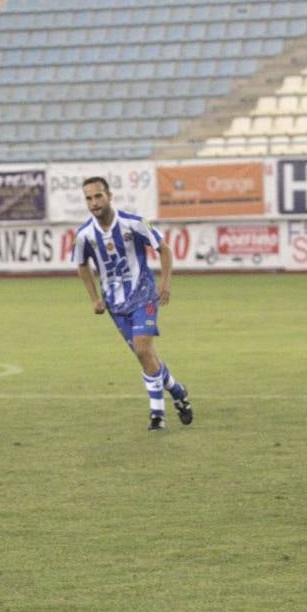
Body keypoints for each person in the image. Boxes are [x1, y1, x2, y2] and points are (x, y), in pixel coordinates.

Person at [74, 176, 193, 431]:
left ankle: (157, 415)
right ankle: (178, 391)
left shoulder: (134, 224)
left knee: (142, 349)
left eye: (98, 196)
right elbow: (82, 265)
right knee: (147, 357)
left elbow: (164, 249)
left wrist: (166, 283)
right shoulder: (85, 235)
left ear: (109, 196)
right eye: (88, 198)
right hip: (115, 305)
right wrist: (94, 297)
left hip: (144, 296)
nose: (94, 202)